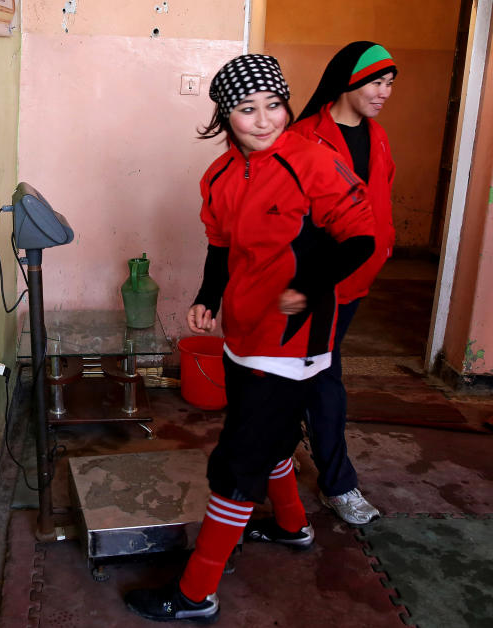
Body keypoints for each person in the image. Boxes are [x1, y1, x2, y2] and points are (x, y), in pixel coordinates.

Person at [124, 54, 376, 623]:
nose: (264, 120)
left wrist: (309, 286)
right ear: (225, 116)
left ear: (287, 104)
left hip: (292, 335)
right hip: (244, 327)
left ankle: (195, 592)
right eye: (246, 109)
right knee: (266, 430)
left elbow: (362, 237)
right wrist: (208, 297)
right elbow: (221, 246)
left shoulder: (314, 161)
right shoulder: (217, 176)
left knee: (240, 457)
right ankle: (291, 525)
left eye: (274, 105)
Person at [290, 41, 397, 526]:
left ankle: (285, 453)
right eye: (377, 81)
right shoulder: (303, 137)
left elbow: (379, 203)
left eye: (390, 83)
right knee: (320, 374)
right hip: (309, 280)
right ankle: (339, 483)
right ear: (349, 81)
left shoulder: (378, 138)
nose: (385, 92)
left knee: (313, 370)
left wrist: (382, 248)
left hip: (355, 280)